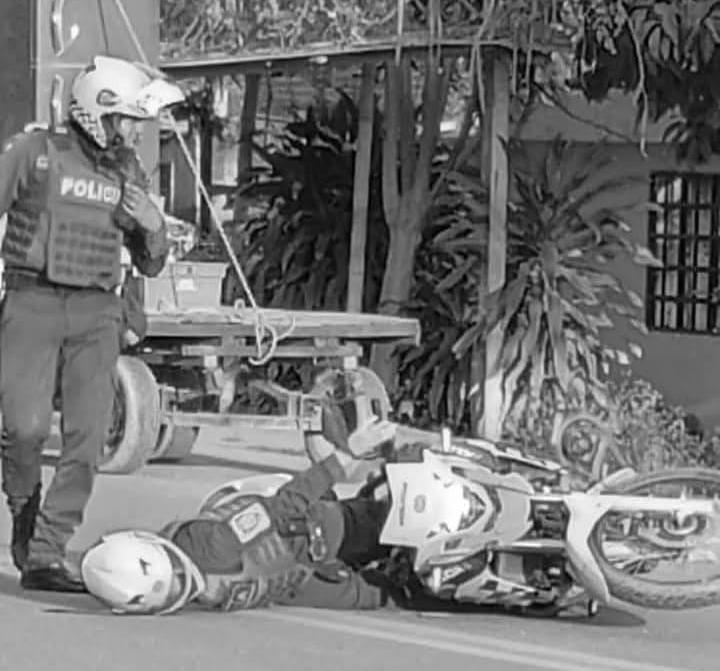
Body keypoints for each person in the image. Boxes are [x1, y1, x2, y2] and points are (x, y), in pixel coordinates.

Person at [0, 55, 184, 591]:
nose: (133, 132)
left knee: (87, 439)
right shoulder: (34, 152)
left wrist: (152, 225)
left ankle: (45, 554)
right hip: (32, 301)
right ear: (95, 112)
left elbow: (151, 261)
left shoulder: (127, 171)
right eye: (126, 120)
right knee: (24, 429)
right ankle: (25, 513)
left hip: (97, 312)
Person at [80, 403, 412, 614]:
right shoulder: (188, 588)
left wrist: (347, 454)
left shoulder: (210, 543)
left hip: (308, 535)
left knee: (390, 523)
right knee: (387, 596)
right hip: (291, 581)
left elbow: (283, 506)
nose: (180, 590)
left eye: (175, 585)